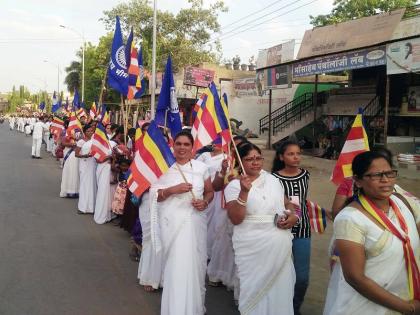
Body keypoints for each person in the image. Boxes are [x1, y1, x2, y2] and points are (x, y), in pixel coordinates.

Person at [324, 151, 420, 315]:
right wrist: (407, 308)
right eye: (376, 175)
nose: (385, 180)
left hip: (407, 296)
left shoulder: (401, 202)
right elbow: (355, 278)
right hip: (364, 308)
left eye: (389, 173)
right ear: (358, 181)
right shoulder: (350, 219)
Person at [224, 142, 299, 315]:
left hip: (279, 242)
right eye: (249, 159)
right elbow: (235, 218)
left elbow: (291, 202)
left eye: (258, 158)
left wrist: (295, 216)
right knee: (254, 291)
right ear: (240, 161)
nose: (255, 162)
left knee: (281, 289)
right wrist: (244, 192)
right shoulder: (234, 185)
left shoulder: (273, 179)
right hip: (252, 246)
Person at [150, 131, 214, 315]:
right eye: (178, 143)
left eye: (186, 144)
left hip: (195, 224)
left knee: (195, 265)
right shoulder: (164, 168)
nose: (182, 148)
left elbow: (209, 192)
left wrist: (204, 202)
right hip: (173, 224)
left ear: (192, 147)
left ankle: (193, 308)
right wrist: (172, 190)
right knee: (177, 266)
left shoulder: (201, 168)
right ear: (173, 145)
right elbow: (156, 196)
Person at [271, 140, 311, 315]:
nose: (296, 157)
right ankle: (280, 307)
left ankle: (294, 308)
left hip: (302, 230)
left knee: (302, 278)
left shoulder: (305, 175)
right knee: (280, 274)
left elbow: (299, 202)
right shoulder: (273, 179)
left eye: (298, 153)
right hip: (280, 228)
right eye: (290, 154)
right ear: (281, 157)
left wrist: (298, 217)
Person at [76, 124, 97, 214]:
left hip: (93, 164)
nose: (90, 132)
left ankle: (92, 207)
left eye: (91, 131)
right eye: (88, 131)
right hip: (84, 163)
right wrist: (85, 155)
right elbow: (76, 154)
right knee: (84, 184)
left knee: (93, 184)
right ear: (84, 132)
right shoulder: (81, 141)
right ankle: (82, 207)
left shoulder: (95, 141)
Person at [59, 129, 80, 198]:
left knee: (76, 173)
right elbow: (62, 143)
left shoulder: (80, 133)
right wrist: (72, 144)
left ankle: (76, 191)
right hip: (69, 155)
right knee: (69, 172)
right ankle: (68, 191)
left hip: (77, 157)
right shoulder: (65, 134)